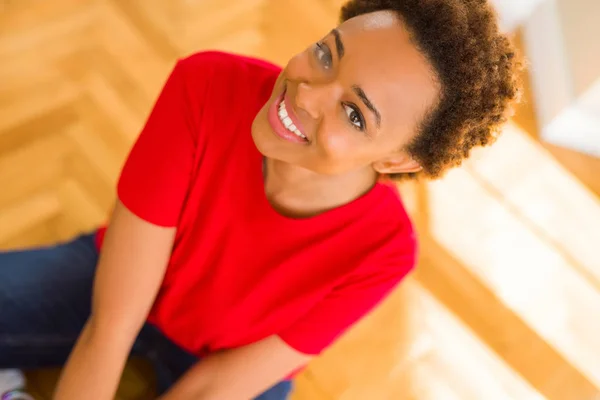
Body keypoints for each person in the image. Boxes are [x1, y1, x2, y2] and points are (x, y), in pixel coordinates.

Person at [0, 0, 521, 399]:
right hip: (120, 283)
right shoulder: (205, 85)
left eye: (355, 114)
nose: (306, 94)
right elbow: (110, 327)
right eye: (325, 54)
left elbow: (212, 389)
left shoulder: (384, 254)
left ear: (398, 160)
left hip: (233, 362)